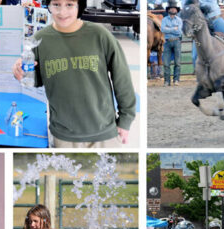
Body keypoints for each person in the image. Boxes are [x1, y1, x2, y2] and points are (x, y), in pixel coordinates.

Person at [12, 0, 136, 148]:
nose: (62, 12)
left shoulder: (100, 35)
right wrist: (21, 72)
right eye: (56, 4)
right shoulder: (39, 40)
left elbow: (122, 78)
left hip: (104, 131)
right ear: (49, 6)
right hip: (64, 134)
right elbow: (36, 79)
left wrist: (125, 120)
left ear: (79, 6)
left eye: (69, 5)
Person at [161, 0, 182, 86]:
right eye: (171, 8)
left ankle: (176, 80)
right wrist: (174, 29)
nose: (173, 10)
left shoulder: (179, 20)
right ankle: (167, 81)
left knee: (177, 62)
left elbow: (179, 32)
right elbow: (162, 29)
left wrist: (168, 29)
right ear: (168, 10)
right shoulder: (164, 19)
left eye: (174, 9)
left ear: (176, 10)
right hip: (168, 41)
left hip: (176, 40)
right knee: (166, 63)